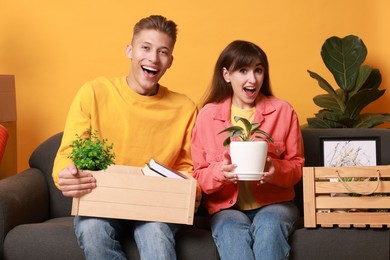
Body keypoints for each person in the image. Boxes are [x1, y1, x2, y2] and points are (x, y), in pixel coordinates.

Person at [52, 15, 200, 260]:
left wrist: (194, 189)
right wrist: (65, 175)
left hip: (157, 206)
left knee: (156, 233)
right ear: (129, 50)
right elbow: (68, 152)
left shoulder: (185, 108)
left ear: (170, 61)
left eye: (163, 52)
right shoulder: (94, 93)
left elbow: (189, 166)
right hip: (102, 201)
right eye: (145, 48)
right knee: (91, 229)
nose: (153, 58)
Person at [190, 40, 304, 260]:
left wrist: (275, 170)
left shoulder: (283, 111)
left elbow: (297, 165)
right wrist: (219, 174)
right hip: (226, 209)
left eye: (258, 70)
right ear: (226, 75)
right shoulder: (208, 116)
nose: (252, 79)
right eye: (243, 71)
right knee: (231, 233)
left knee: (270, 227)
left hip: (275, 204)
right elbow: (198, 174)